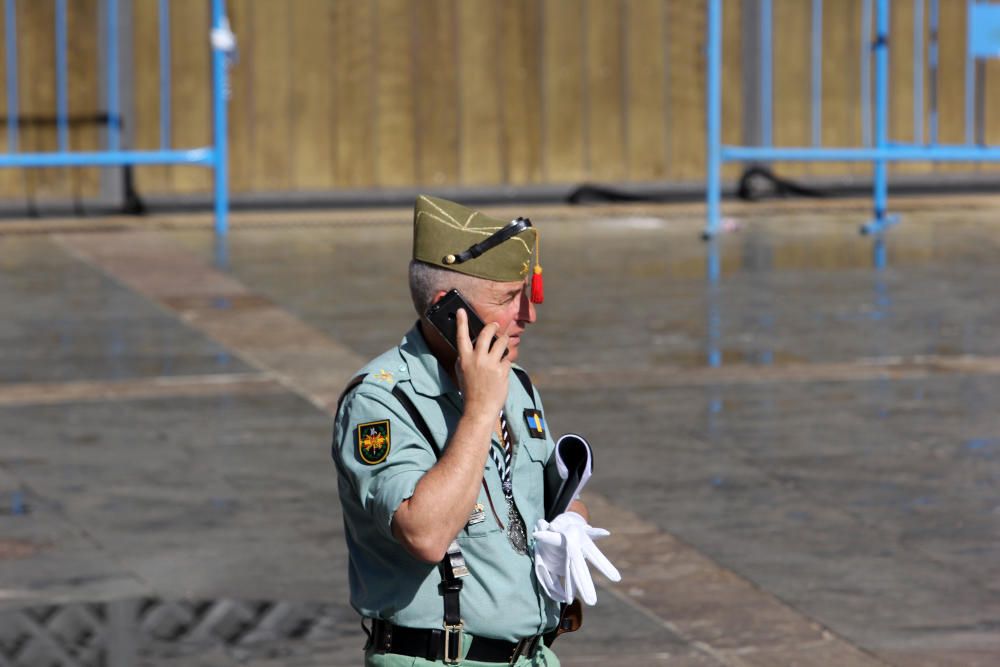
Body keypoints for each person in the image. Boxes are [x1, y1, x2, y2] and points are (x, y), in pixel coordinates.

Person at [331, 195, 618, 666]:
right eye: (507, 298)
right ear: (449, 309)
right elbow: (424, 535)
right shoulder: (380, 400)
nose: (528, 315)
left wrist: (573, 524)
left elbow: (539, 496)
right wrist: (481, 410)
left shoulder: (513, 382)